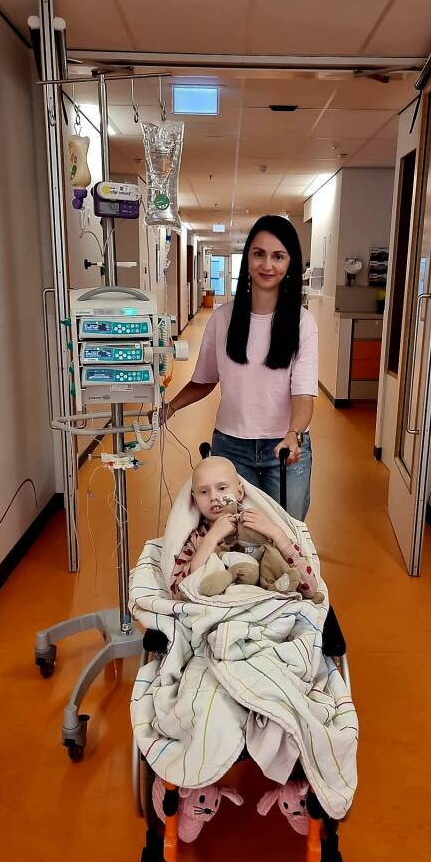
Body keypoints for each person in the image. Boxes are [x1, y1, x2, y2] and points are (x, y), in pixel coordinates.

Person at [164, 215, 318, 520]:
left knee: (286, 532)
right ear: (247, 258)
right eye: (259, 254)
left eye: (278, 256)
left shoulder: (302, 323)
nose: (267, 265)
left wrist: (294, 433)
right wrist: (169, 408)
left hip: (284, 449)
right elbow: (204, 380)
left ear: (290, 264)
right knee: (232, 532)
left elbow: (303, 393)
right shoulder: (223, 318)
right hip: (231, 446)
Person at [170, 456, 319, 600]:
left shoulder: (258, 527)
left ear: (240, 493)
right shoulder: (196, 539)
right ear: (194, 500)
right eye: (204, 492)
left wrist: (277, 534)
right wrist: (210, 540)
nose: (213, 497)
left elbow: (309, 588)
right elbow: (178, 592)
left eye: (222, 488)